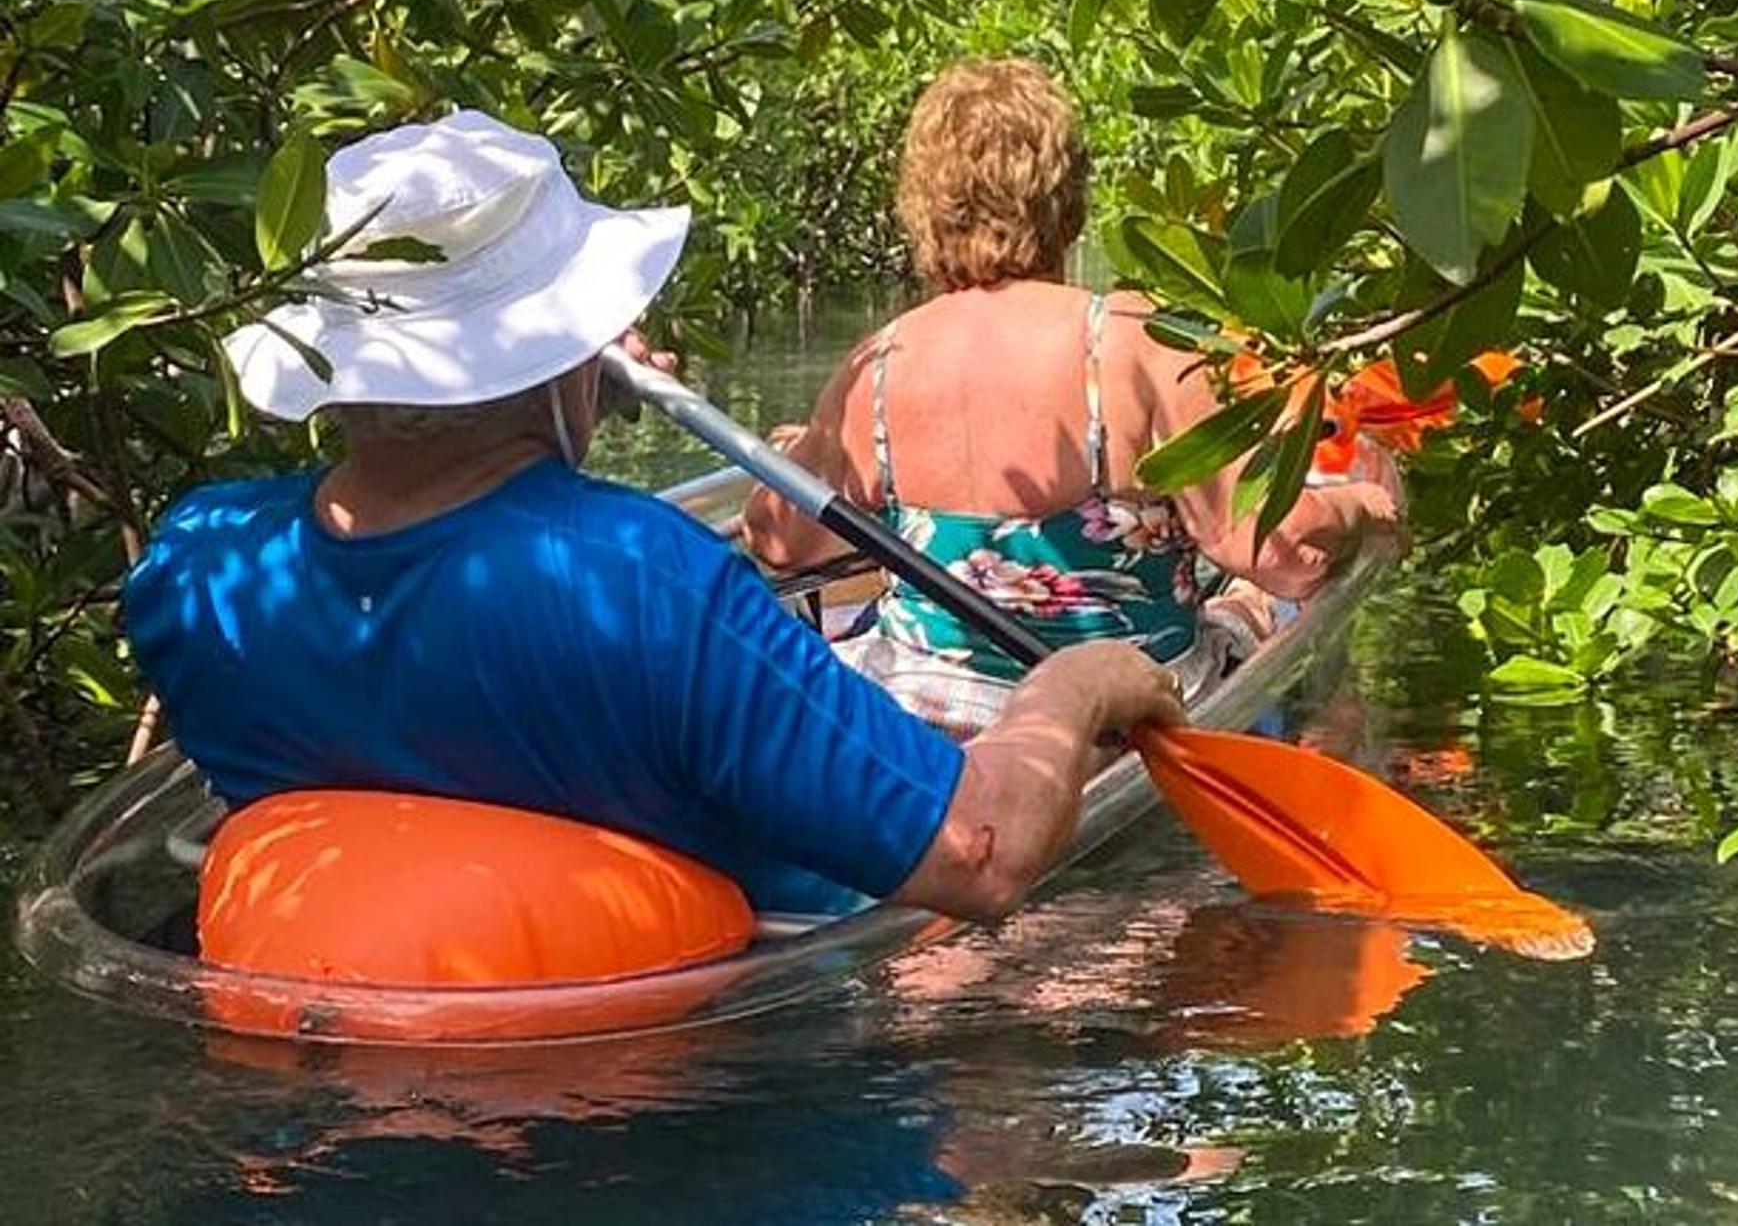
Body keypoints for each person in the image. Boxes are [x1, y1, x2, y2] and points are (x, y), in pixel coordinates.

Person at [124, 108, 1181, 926]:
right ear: (560, 345)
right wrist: (1073, 684)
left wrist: (567, 386)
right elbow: (978, 854)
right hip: (775, 1083)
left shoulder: (196, 564)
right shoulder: (640, 580)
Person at [742, 59, 1403, 738]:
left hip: (927, 720)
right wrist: (1360, 505)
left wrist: (806, 452)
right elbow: (1279, 555)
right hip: (1122, 716)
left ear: (922, 207)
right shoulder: (1132, 341)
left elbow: (779, 542)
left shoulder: (879, 364)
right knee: (1257, 603)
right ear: (1069, 200)